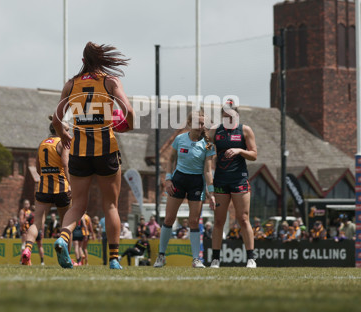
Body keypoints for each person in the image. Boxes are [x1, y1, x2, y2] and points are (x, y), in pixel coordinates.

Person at [52, 42, 134, 270]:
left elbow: (57, 120)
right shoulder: (110, 82)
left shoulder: (71, 84)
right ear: (102, 60)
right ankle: (115, 259)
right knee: (111, 206)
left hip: (79, 150)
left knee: (77, 204)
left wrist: (64, 135)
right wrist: (127, 126)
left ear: (83, 61)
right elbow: (129, 112)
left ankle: (63, 238)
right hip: (106, 149)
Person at [154, 110, 216, 269]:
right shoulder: (180, 139)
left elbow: (208, 171)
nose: (200, 126)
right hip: (178, 180)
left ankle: (196, 259)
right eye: (197, 122)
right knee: (168, 219)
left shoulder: (208, 145)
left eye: (203, 123)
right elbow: (171, 160)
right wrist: (168, 179)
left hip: (196, 183)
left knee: (194, 221)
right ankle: (161, 256)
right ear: (190, 123)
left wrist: (211, 192)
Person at [207, 99, 258, 269]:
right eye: (225, 114)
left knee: (243, 219)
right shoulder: (215, 131)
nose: (228, 117)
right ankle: (215, 259)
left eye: (231, 114)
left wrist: (240, 150)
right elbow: (204, 148)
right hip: (221, 180)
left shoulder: (245, 130)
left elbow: (254, 155)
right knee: (218, 221)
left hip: (239, 179)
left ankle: (251, 258)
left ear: (237, 115)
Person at [22, 117, 72, 266]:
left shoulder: (42, 143)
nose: (69, 133)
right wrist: (71, 184)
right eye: (68, 130)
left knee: (37, 222)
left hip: (43, 188)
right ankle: (67, 259)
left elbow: (37, 168)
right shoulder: (63, 143)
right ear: (60, 130)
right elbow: (65, 163)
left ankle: (27, 250)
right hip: (62, 188)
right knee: (66, 223)